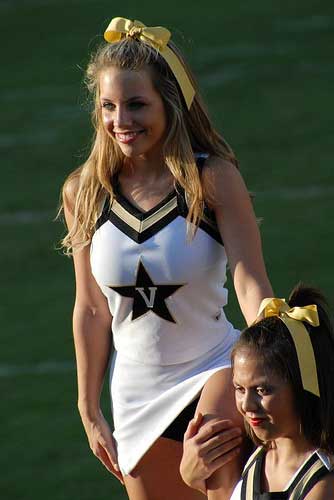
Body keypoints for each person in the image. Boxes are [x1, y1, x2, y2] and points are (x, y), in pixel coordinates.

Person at [60, 16, 272, 500]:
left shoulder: (211, 180)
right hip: (135, 395)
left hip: (215, 367)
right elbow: (92, 309)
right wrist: (88, 409)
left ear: (170, 104)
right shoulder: (84, 193)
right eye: (109, 107)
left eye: (137, 105)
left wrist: (274, 344)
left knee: (221, 480)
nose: (122, 121)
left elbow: (248, 279)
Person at [181, 284, 334, 499]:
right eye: (239, 388)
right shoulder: (251, 457)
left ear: (303, 387)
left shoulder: (321, 483)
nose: (246, 405)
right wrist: (195, 479)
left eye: (262, 390)